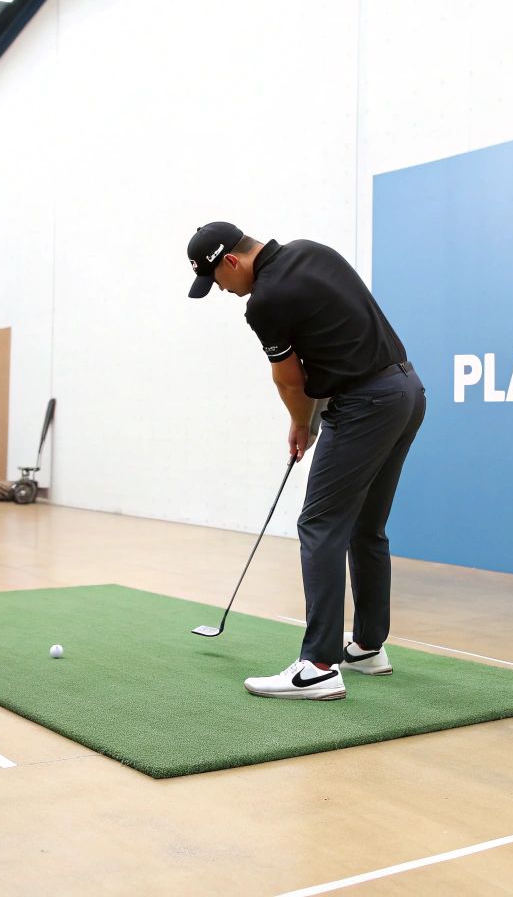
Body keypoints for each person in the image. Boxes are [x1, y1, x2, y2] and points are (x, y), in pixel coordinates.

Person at [187, 222, 426, 700]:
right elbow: (335, 343)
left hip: (363, 405)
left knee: (319, 524)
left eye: (216, 280)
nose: (221, 291)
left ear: (231, 261)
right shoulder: (313, 251)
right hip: (406, 392)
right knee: (365, 526)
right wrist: (315, 418)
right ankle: (367, 647)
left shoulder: (264, 302)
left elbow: (290, 382)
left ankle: (317, 666)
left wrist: (302, 424)